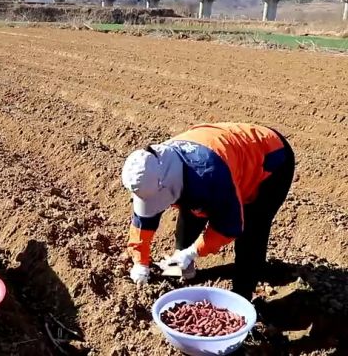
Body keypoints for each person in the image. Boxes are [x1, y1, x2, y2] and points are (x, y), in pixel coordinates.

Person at [121, 123, 295, 300]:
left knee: (252, 230)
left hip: (270, 158)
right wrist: (140, 262)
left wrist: (192, 252)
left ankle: (243, 293)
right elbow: (144, 220)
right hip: (225, 153)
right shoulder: (154, 167)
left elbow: (229, 227)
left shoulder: (209, 175)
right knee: (192, 209)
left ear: (166, 184)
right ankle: (181, 267)